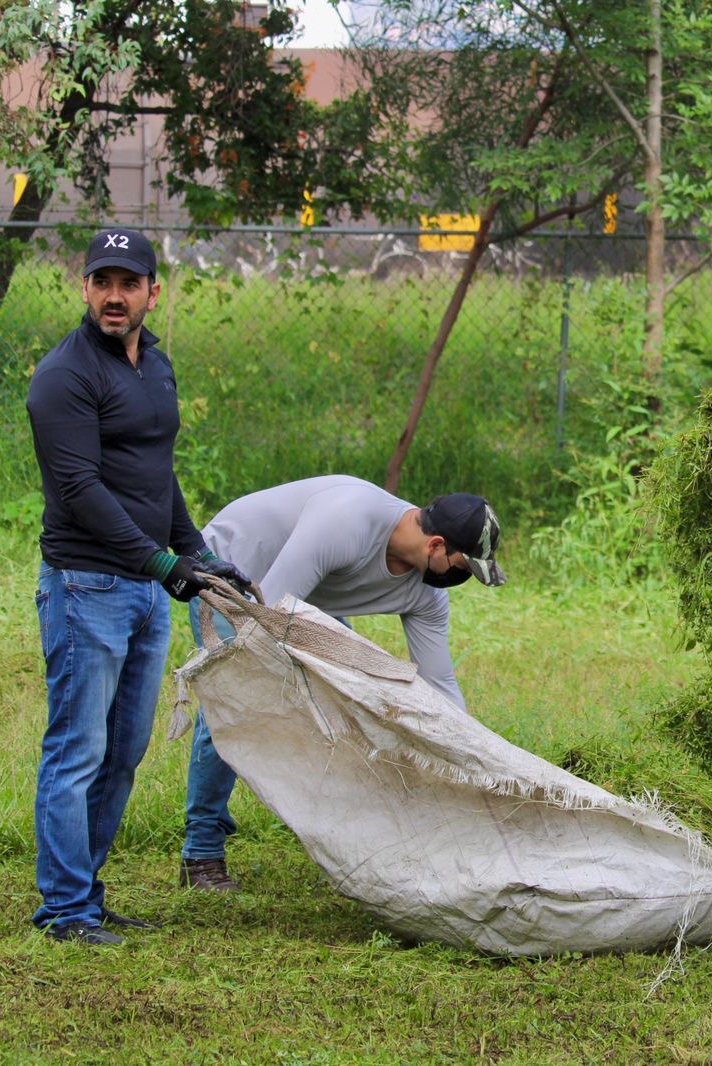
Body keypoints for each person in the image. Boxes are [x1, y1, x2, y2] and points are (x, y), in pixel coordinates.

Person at [27, 227, 249, 947]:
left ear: (154, 291)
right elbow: (80, 489)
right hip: (86, 585)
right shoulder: (63, 376)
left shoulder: (155, 364)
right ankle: (64, 911)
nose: (114, 296)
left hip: (146, 592)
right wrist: (163, 565)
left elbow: (157, 474)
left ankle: (85, 893)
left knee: (123, 753)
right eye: (102, 282)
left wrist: (197, 553)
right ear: (84, 288)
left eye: (129, 283)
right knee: (77, 749)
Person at [178, 476, 505, 891]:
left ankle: (348, 841)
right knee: (242, 695)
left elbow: (439, 684)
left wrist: (477, 763)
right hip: (237, 570)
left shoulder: (427, 594)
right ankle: (201, 852)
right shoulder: (346, 520)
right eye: (463, 569)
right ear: (436, 545)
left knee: (343, 697)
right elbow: (269, 616)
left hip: (308, 591)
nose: (461, 581)